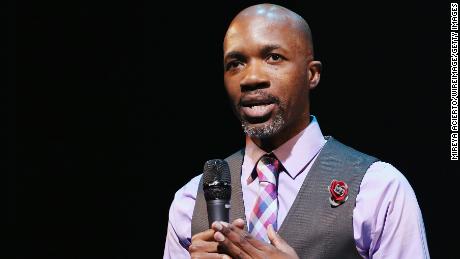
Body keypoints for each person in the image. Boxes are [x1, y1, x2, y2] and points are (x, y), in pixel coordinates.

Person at [163, 3, 429, 259]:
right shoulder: (189, 202)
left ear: (311, 74)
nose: (251, 78)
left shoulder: (378, 188)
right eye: (236, 63)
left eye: (273, 57)